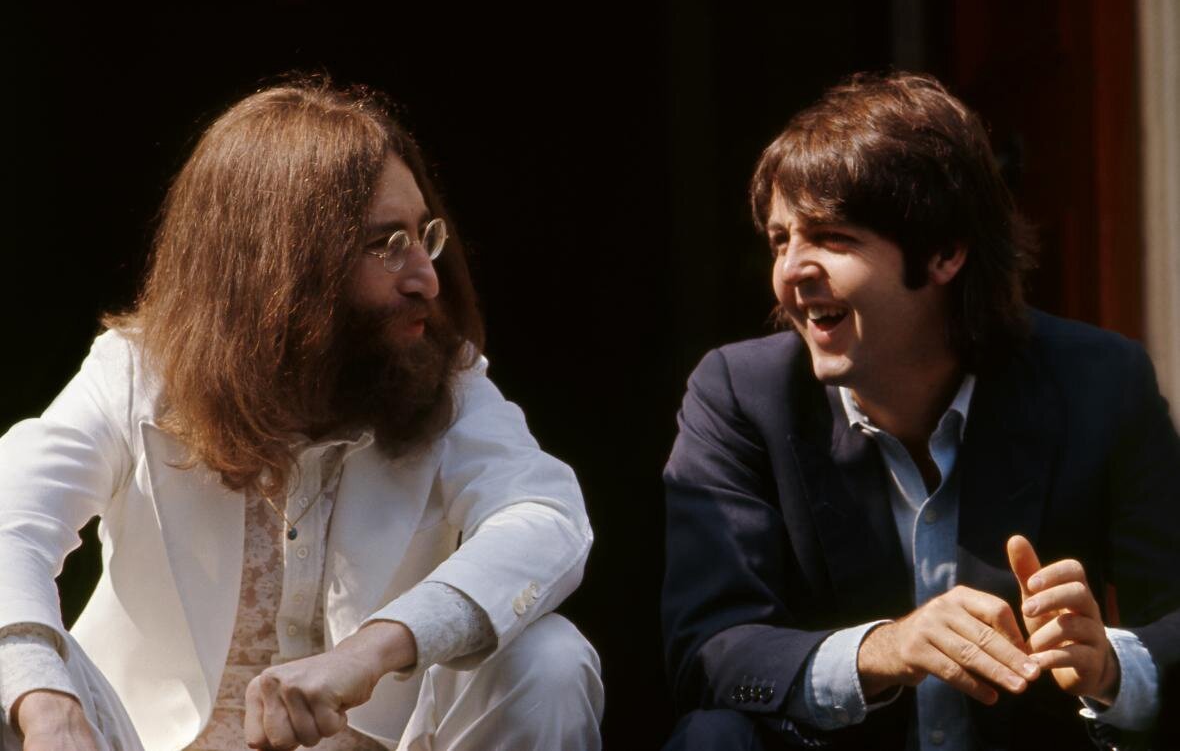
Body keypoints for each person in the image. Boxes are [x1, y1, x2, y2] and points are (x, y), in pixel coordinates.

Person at [0, 79, 603, 750]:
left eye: (422, 236)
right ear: (280, 261)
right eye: (385, 243)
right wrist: (45, 707)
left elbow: (544, 518)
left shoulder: (441, 377)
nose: (426, 279)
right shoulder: (137, 372)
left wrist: (374, 650)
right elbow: (9, 521)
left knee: (548, 659)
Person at [661, 72, 1180, 750]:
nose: (790, 271)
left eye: (830, 237)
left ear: (944, 252)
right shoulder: (738, 393)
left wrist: (1110, 665)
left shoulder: (1101, 382)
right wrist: (884, 649)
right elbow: (711, 649)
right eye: (779, 239)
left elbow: (1173, 618)